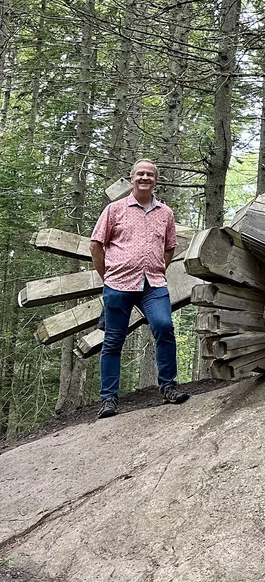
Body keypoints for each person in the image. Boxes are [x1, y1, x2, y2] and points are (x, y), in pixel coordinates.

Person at [89, 158, 189, 419]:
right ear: (132, 177)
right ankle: (108, 399)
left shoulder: (165, 213)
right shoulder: (114, 209)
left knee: (164, 326)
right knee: (113, 340)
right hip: (118, 285)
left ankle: (168, 387)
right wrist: (107, 276)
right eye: (140, 174)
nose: (145, 178)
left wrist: (157, 268)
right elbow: (96, 244)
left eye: (150, 175)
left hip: (152, 284)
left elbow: (170, 247)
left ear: (156, 180)